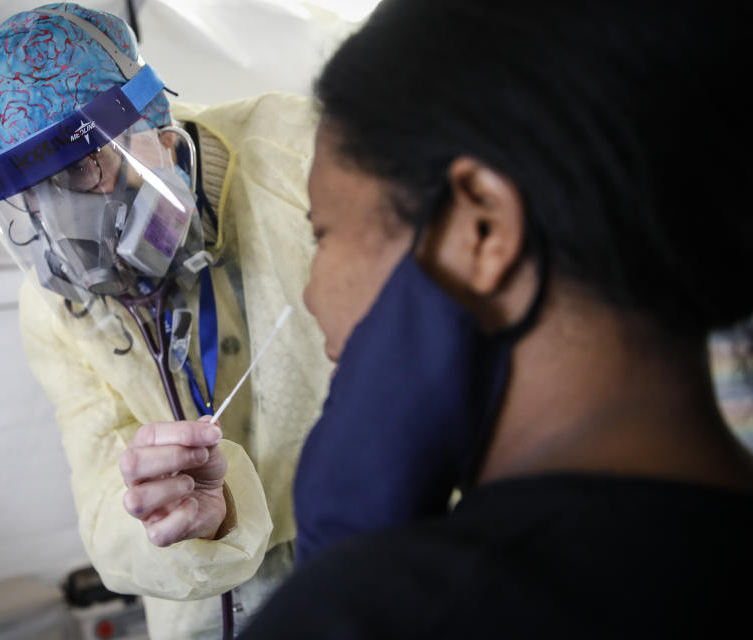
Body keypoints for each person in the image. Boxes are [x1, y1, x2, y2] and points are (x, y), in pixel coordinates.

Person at [241, 0, 753, 636]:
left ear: (481, 229)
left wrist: (345, 583)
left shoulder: (389, 614)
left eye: (323, 233)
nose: (313, 295)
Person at [0, 4, 331, 638]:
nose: (63, 217)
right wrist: (177, 522)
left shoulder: (297, 157)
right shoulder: (54, 309)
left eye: (79, 167)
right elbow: (104, 494)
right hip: (206, 596)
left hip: (365, 530)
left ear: (153, 124)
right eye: (32, 191)